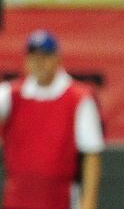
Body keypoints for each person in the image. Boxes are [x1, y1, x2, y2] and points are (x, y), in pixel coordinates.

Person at [0, 30, 104, 209]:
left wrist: (88, 203)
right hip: (17, 200)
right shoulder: (11, 95)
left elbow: (91, 155)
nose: (39, 64)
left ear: (56, 58)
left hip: (60, 199)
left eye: (44, 57)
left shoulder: (78, 98)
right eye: (34, 58)